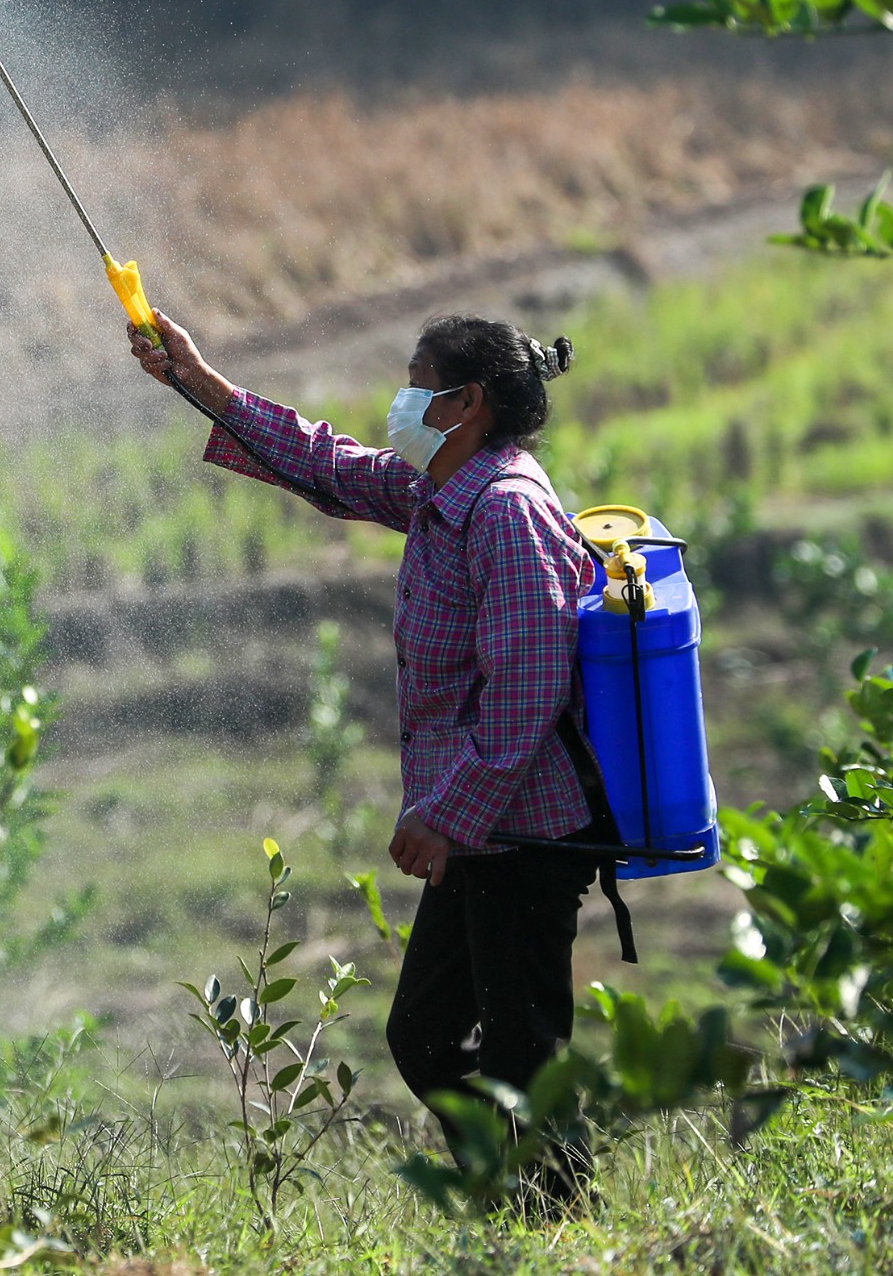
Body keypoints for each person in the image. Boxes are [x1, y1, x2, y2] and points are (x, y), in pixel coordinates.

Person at [129, 307, 605, 1211]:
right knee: (425, 1037)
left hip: (525, 833)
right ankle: (531, 1199)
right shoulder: (442, 491)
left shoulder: (507, 511)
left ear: (465, 403)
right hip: (483, 830)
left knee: (521, 1054)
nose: (402, 400)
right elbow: (326, 464)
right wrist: (195, 379)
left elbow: (528, 689)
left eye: (417, 381)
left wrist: (444, 816)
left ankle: (558, 1220)